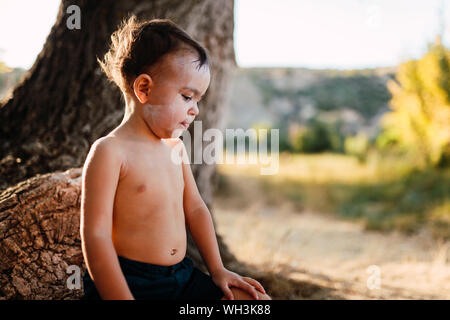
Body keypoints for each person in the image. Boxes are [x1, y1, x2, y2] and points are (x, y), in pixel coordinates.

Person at [80, 16, 271, 300]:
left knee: (255, 302)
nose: (194, 110)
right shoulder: (110, 151)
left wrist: (218, 269)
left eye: (198, 100)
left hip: (182, 277)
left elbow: (194, 208)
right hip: (130, 282)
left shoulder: (175, 149)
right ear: (144, 88)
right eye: (186, 97)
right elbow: (96, 237)